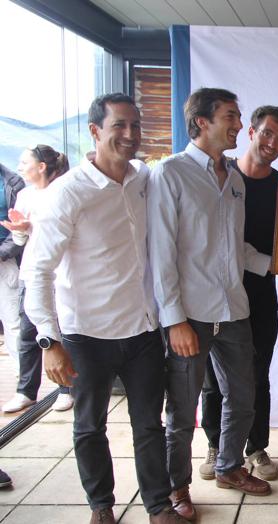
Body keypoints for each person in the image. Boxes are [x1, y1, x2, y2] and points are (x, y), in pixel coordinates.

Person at [20, 93, 187, 523]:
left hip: (143, 331)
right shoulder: (67, 193)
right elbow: (36, 271)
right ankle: (101, 506)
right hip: (86, 336)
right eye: (119, 126)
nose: (130, 135)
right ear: (95, 131)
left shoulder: (144, 180)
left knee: (149, 425)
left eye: (135, 125)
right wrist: (48, 340)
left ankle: (157, 504)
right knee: (90, 426)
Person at [148, 87, 271, 521]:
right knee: (182, 411)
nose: (238, 125)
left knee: (243, 396)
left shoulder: (234, 178)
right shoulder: (170, 174)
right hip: (191, 317)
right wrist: (174, 319)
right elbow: (161, 253)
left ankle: (229, 466)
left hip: (233, 310)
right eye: (230, 117)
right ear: (202, 121)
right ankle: (176, 487)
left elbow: (234, 247)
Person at [199, 105, 278, 482]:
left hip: (259, 296)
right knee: (212, 378)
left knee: (256, 375)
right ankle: (215, 444)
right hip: (213, 293)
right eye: (268, 133)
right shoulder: (221, 176)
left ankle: (255, 447)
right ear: (252, 132)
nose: (273, 143)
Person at [2, 145, 73, 414]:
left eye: (24, 162)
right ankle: (26, 391)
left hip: (59, 273)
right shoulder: (23, 195)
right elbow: (20, 240)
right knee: (28, 332)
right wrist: (20, 231)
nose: (20, 167)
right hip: (29, 272)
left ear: (41, 166)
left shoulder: (61, 193)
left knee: (61, 332)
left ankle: (66, 390)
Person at [0, 162, 23, 391]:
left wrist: (3, 252)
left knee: (12, 321)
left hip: (5, 261)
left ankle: (22, 379)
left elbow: (19, 227)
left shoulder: (12, 182)